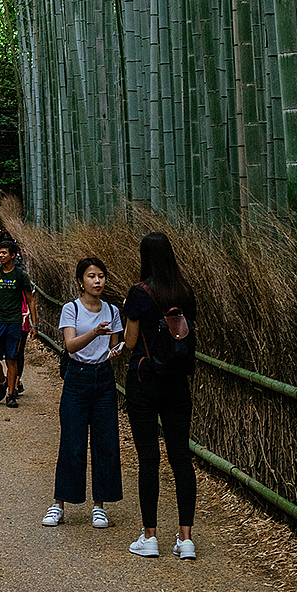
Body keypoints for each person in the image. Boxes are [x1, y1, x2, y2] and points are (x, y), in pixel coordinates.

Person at [122, 231, 198, 560]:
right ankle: (185, 540)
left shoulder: (140, 293)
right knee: (181, 458)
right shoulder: (186, 292)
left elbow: (129, 341)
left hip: (144, 378)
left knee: (149, 458)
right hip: (178, 381)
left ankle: (149, 537)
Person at [41, 257, 124, 528]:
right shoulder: (71, 308)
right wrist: (95, 333)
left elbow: (114, 346)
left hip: (103, 377)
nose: (97, 281)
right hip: (77, 378)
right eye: (91, 276)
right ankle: (59, 503)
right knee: (72, 442)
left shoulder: (111, 309)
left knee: (106, 442)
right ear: (81, 281)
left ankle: (99, 505)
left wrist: (117, 348)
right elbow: (71, 345)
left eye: (101, 276)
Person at [0, 238, 36, 407]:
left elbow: (30, 300)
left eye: (4, 253)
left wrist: (34, 325)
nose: (1, 255)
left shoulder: (20, 275)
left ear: (12, 255)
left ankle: (11, 394)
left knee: (12, 358)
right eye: (0, 253)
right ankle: (2, 381)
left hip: (14, 322)